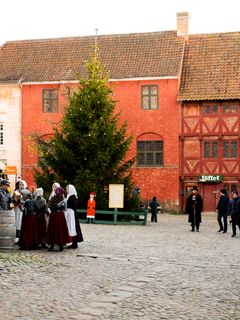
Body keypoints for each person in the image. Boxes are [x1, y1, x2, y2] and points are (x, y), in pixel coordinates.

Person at [47, 187, 69, 251]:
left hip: (53, 216)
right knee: (60, 230)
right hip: (60, 216)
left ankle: (51, 246)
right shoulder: (64, 199)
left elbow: (50, 207)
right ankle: (61, 246)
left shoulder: (52, 199)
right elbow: (65, 209)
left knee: (52, 229)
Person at [65, 184, 83, 249]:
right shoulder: (69, 196)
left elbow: (73, 206)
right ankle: (73, 242)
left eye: (67, 189)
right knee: (71, 227)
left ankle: (74, 243)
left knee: (73, 227)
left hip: (72, 214)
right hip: (69, 213)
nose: (66, 190)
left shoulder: (73, 197)